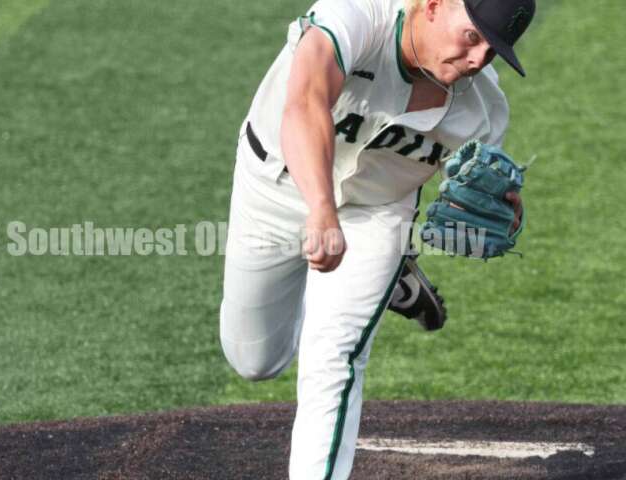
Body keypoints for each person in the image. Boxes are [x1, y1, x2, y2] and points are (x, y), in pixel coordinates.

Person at [219, 0, 535, 478]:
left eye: (493, 51)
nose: (476, 59)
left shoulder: (483, 110)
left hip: (378, 213)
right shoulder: (355, 17)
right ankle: (398, 277)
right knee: (253, 360)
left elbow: (485, 189)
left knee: (336, 356)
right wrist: (322, 207)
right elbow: (305, 100)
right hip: (275, 186)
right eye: (473, 36)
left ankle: (389, 267)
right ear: (432, 6)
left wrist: (508, 211)